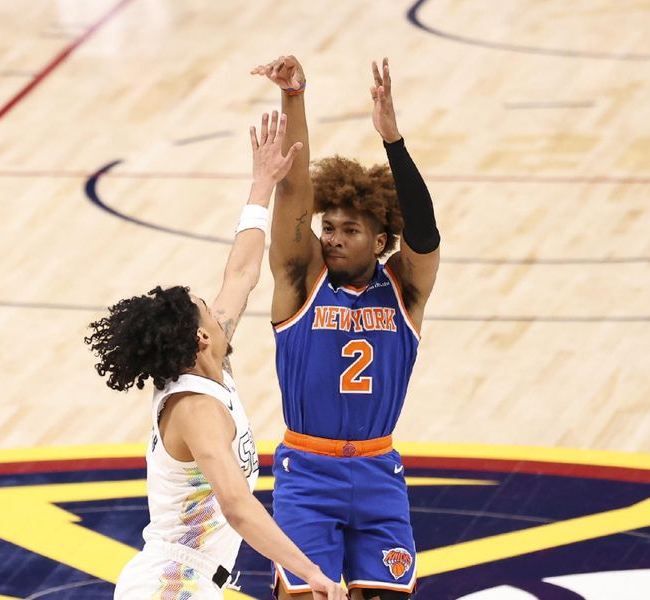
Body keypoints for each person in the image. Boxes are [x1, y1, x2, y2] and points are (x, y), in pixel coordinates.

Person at [84, 111, 344, 600]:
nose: (218, 310)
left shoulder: (206, 360)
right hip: (170, 586)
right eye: (208, 310)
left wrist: (261, 186)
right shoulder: (198, 410)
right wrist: (311, 572)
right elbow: (238, 508)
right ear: (201, 339)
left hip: (192, 582)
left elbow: (242, 273)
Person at [250, 56, 440, 598]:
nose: (331, 237)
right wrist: (295, 97)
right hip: (308, 472)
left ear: (380, 241)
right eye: (327, 227)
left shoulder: (405, 287)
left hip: (379, 470)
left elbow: (425, 232)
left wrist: (394, 142)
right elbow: (293, 196)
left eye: (349, 229)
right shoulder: (301, 279)